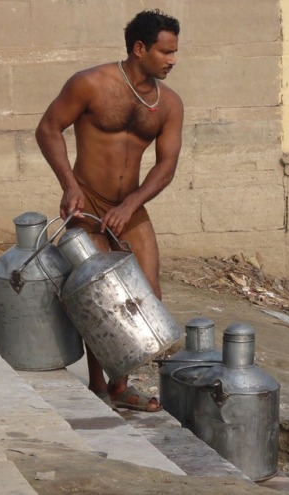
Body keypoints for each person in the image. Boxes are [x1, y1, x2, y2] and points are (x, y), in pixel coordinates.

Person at [35, 9, 183, 412]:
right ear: (140, 48)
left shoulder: (169, 104)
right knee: (100, 296)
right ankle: (102, 386)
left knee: (146, 295)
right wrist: (68, 186)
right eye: (165, 51)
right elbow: (48, 128)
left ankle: (120, 384)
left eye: (174, 52)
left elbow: (167, 165)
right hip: (86, 205)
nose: (172, 60)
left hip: (130, 206)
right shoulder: (90, 84)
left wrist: (132, 203)